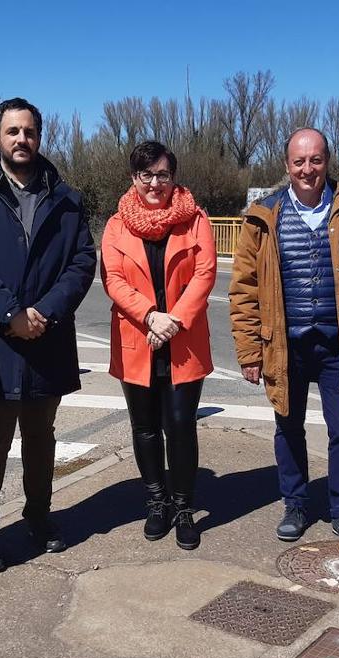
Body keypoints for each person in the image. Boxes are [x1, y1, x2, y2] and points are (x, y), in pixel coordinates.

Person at [0, 97, 97, 573]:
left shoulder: (65, 196)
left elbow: (82, 261)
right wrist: (10, 313)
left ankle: (39, 517)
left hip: (47, 340)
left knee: (41, 439)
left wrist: (44, 312)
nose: (21, 140)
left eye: (29, 132)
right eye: (12, 132)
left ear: (39, 137)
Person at [229, 128, 339, 552]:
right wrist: (250, 351)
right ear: (287, 165)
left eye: (316, 160)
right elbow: (244, 289)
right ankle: (297, 505)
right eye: (299, 161)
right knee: (288, 427)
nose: (308, 169)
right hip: (284, 345)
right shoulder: (262, 215)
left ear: (327, 161)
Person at [101, 141, 216, 550]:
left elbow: (205, 273)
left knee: (180, 426)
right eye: (146, 175)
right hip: (138, 336)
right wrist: (151, 316)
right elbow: (113, 280)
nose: (155, 183)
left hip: (182, 340)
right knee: (146, 428)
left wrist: (173, 321)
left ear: (174, 177)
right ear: (134, 178)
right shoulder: (116, 225)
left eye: (163, 174)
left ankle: (183, 507)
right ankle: (157, 502)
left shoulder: (195, 219)